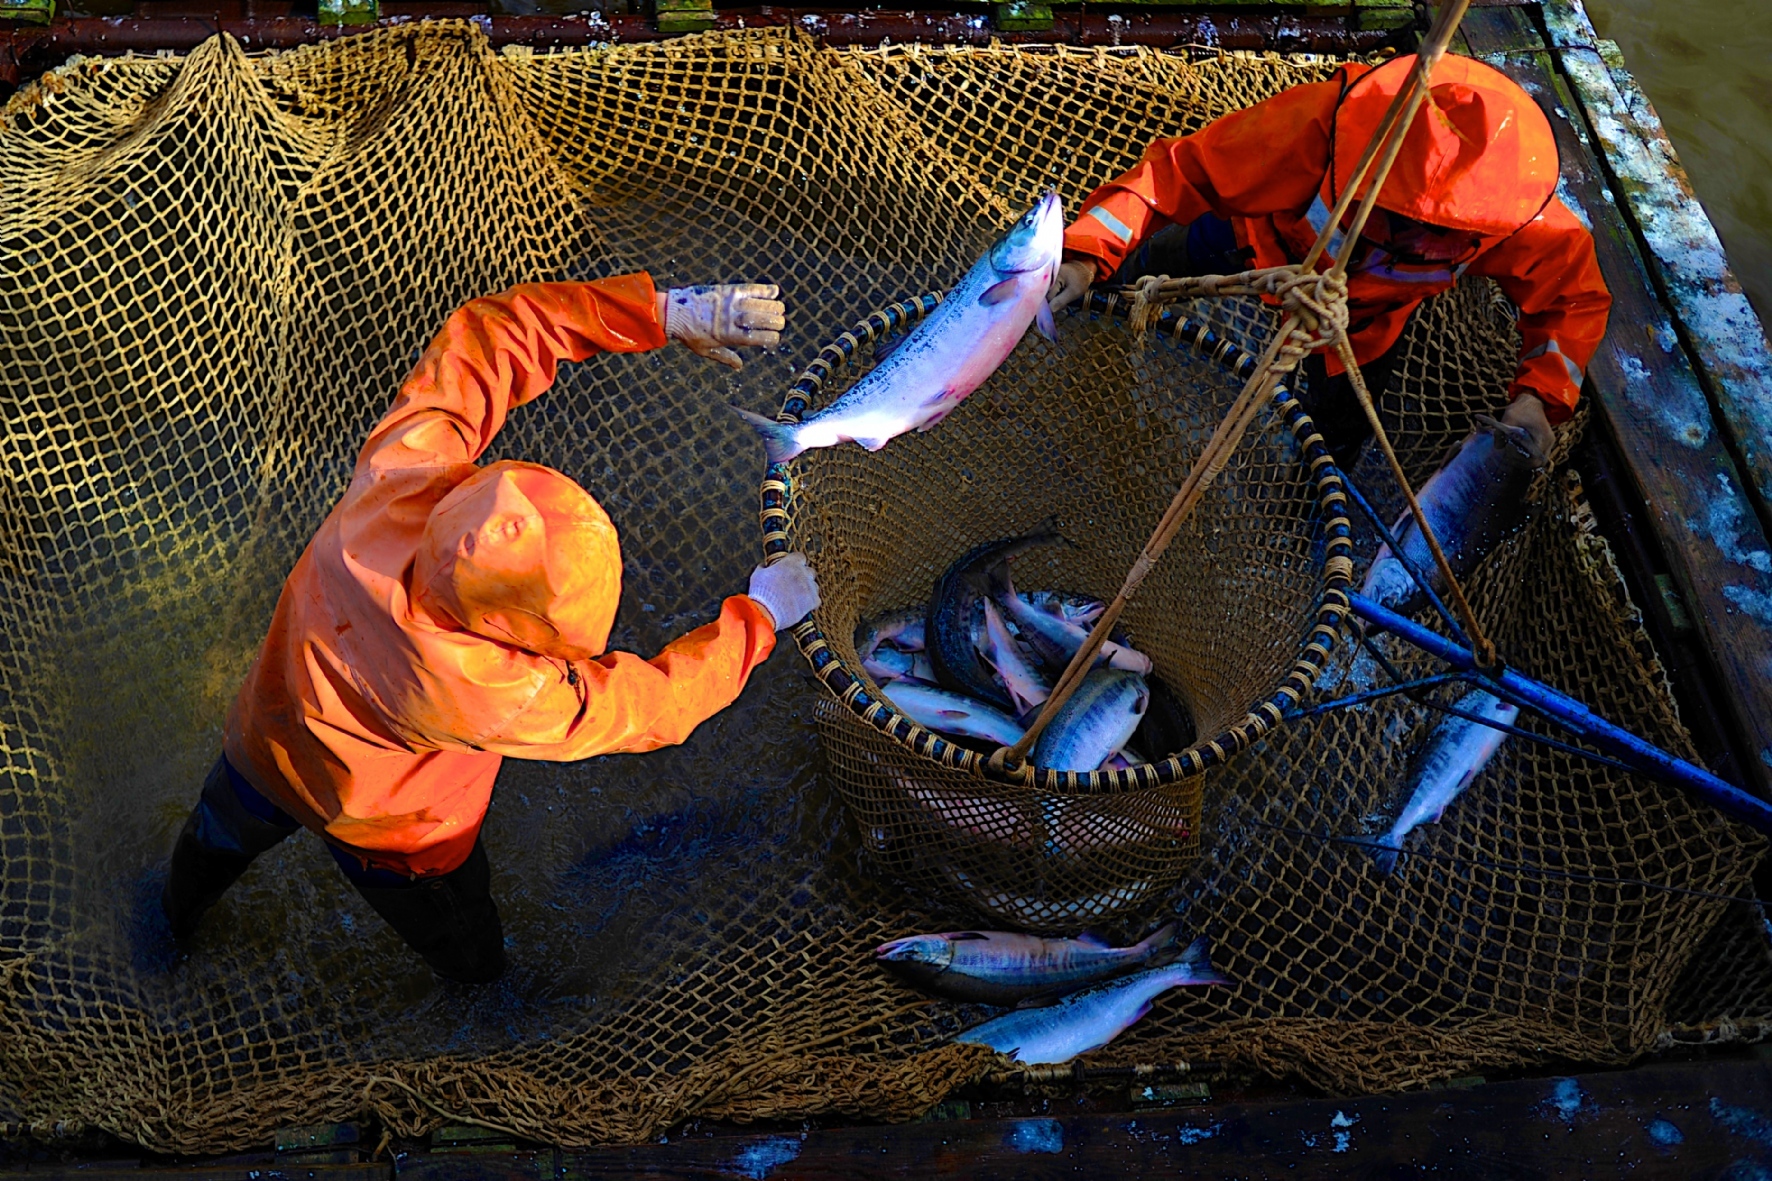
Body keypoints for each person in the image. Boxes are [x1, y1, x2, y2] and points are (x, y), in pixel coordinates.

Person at [162, 274, 819, 984]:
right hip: (395, 840)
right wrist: (762, 614)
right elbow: (649, 708)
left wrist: (660, 312)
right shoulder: (495, 691)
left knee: (211, 843)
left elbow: (488, 338)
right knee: (466, 945)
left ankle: (165, 929)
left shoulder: (402, 471)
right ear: (519, 636)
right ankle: (486, 997)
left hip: (263, 742)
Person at [1047, 52, 1612, 476]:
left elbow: (1572, 298)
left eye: (1449, 233)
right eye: (1407, 219)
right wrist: (1086, 253)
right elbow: (1178, 175)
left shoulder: (1517, 216)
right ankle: (1090, 333)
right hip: (1253, 247)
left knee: (1336, 435)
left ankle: (1303, 515)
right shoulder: (1315, 129)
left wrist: (1540, 397)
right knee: (1143, 264)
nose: (1428, 241)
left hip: (1361, 327)